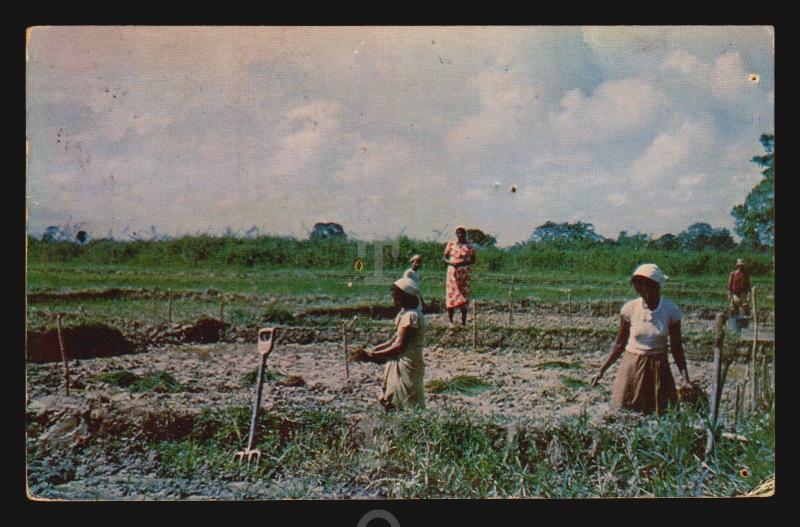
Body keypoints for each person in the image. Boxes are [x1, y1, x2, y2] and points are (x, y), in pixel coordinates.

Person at [590, 264, 691, 415]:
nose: (642, 290)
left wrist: (685, 379)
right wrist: (601, 371)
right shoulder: (630, 308)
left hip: (658, 367)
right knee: (626, 411)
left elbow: (676, 347)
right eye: (638, 285)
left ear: (657, 286)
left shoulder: (671, 310)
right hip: (632, 365)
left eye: (646, 285)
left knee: (660, 412)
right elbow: (619, 343)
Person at [365, 277, 427, 411]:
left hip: (407, 362)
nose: (393, 299)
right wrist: (371, 350)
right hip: (400, 361)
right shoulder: (404, 314)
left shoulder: (411, 316)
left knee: (408, 401)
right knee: (395, 398)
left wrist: (373, 355)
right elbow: (393, 340)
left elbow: (399, 346)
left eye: (396, 296)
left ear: (405, 297)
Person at [443, 226, 476, 325]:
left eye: (462, 232)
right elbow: (444, 257)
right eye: (458, 232)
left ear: (465, 234)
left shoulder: (469, 246)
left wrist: (462, 263)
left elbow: (473, 260)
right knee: (451, 296)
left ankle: (463, 322)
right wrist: (451, 263)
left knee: (464, 297)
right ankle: (450, 321)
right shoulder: (451, 244)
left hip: (463, 274)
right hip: (452, 274)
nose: (460, 235)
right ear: (456, 234)